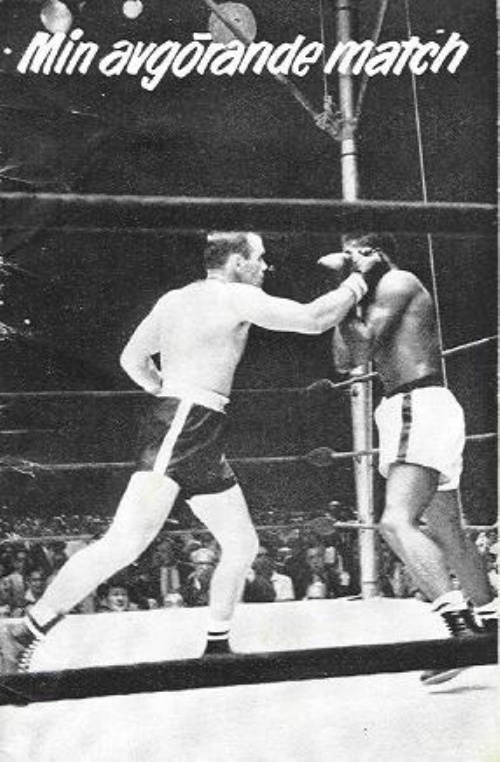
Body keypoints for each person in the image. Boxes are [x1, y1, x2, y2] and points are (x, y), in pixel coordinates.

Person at [1, 230, 381, 672]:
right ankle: (25, 631)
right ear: (237, 261)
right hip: (185, 423)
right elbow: (313, 319)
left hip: (194, 424)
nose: (265, 266)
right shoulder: (235, 296)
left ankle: (217, 647)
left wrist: (166, 390)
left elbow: (132, 359)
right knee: (125, 542)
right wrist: (360, 279)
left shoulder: (174, 299)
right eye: (259, 258)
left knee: (242, 543)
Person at [329, 232, 496, 686]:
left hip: (416, 404)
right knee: (447, 529)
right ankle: (493, 623)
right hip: (418, 408)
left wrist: (352, 286)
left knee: (394, 521)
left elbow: (364, 345)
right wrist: (347, 295)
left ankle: (461, 630)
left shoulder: (398, 281)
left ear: (378, 253)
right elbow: (346, 360)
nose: (351, 259)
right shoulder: (367, 299)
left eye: (358, 252)